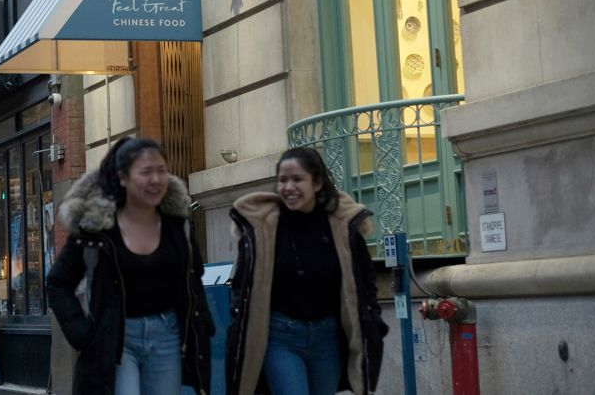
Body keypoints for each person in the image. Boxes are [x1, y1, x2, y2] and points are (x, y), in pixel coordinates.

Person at [46, 137, 214, 395]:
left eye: (161, 170)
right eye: (146, 172)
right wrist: (83, 333)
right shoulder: (96, 229)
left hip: (167, 336)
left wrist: (202, 325)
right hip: (118, 339)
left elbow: (194, 278)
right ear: (123, 177)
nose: (156, 180)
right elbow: (58, 283)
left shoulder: (178, 223)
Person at [225, 146, 389, 395]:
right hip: (280, 338)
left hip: (327, 338)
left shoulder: (341, 225)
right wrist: (240, 315)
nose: (288, 187)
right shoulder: (262, 227)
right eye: (282, 180)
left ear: (317, 183)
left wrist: (373, 318)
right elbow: (242, 282)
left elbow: (365, 278)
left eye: (297, 179)